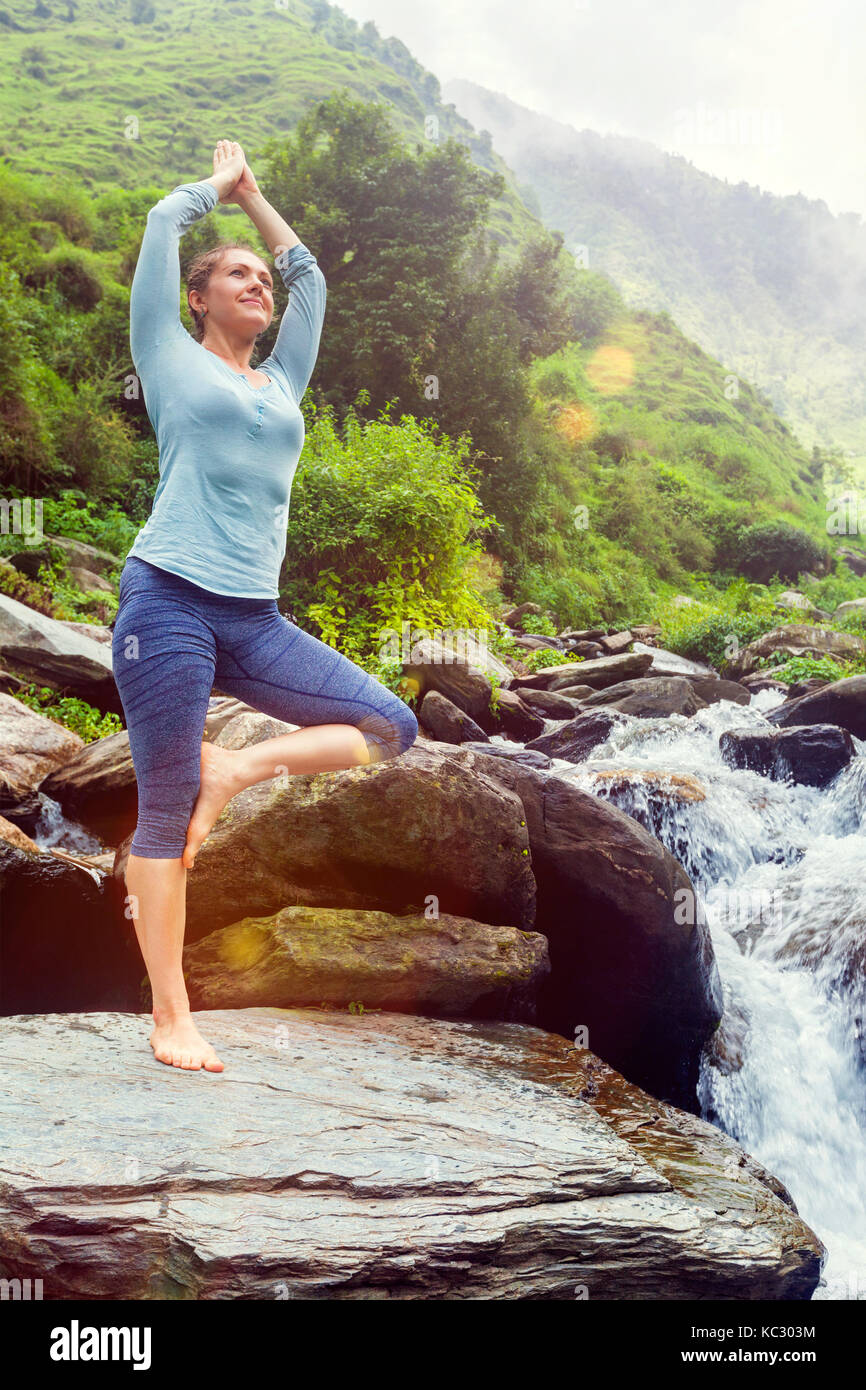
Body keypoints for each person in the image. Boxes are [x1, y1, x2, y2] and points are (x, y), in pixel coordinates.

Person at [113, 140, 418, 1074]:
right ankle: (172, 1016)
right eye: (236, 277)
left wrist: (257, 201)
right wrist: (218, 188)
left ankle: (235, 772)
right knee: (163, 816)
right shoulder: (165, 353)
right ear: (198, 299)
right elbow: (167, 223)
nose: (258, 284)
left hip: (253, 618)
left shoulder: (280, 381)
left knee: (390, 724)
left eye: (260, 279)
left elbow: (311, 280)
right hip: (165, 601)